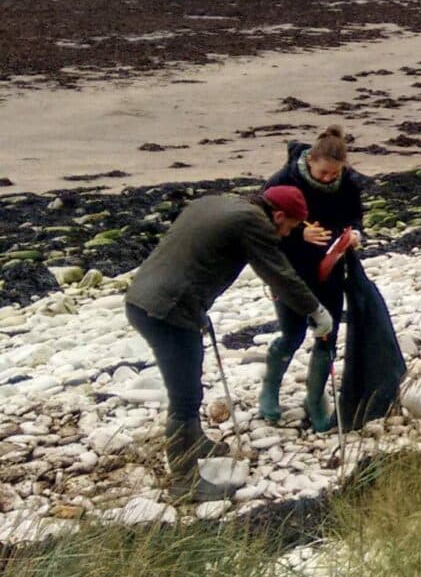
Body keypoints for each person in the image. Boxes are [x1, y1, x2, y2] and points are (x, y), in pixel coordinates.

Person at [125, 187, 333, 492]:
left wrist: (197, 306)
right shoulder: (252, 222)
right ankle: (185, 481)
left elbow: (189, 256)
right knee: (184, 397)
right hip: (167, 311)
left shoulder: (219, 202)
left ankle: (195, 443)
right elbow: (279, 275)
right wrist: (316, 311)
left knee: (190, 381)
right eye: (288, 228)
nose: (286, 235)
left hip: (146, 298)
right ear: (277, 216)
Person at [259, 126, 366, 431]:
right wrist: (300, 234)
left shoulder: (347, 182)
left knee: (327, 334)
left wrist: (355, 234)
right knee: (291, 334)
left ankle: (315, 399)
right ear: (311, 162)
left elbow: (356, 216)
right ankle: (269, 393)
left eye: (334, 174)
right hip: (289, 270)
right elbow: (262, 228)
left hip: (330, 266)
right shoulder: (284, 180)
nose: (329, 179)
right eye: (323, 174)